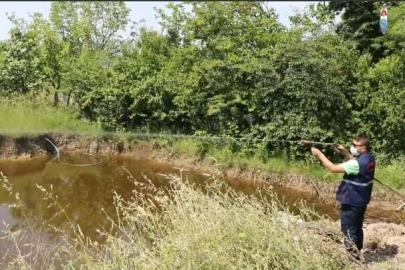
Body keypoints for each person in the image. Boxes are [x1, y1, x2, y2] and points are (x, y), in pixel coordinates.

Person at [310, 133, 376, 260]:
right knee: (357, 226)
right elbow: (355, 163)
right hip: (361, 200)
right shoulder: (369, 158)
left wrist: (319, 154)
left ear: (363, 147)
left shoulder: (357, 164)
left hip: (352, 200)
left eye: (355, 145)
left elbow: (332, 168)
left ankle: (353, 257)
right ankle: (357, 251)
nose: (353, 147)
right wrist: (345, 152)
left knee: (348, 228)